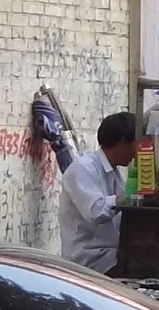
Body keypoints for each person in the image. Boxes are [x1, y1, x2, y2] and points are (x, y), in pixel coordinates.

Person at [57, 112, 137, 276]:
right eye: (136, 144)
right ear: (122, 142)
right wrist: (127, 198)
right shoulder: (83, 168)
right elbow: (95, 211)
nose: (136, 153)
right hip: (91, 260)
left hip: (111, 255)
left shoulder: (114, 173)